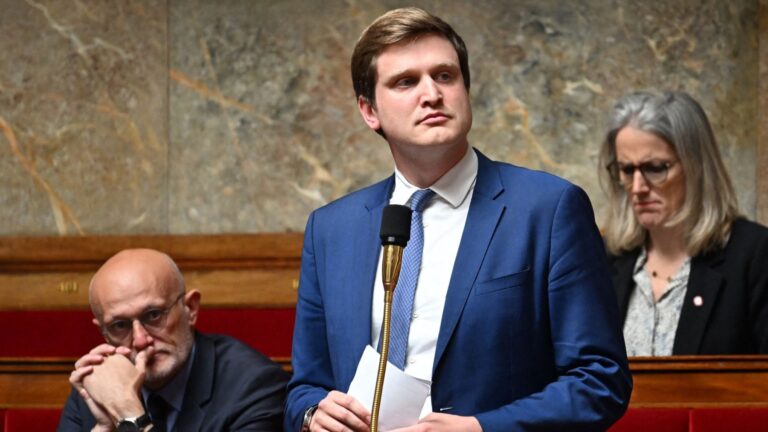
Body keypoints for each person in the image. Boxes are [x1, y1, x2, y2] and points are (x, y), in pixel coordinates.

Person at [286, 7, 631, 432]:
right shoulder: (330, 230)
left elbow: (599, 380)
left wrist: (481, 429)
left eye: (445, 76)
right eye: (405, 82)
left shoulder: (549, 208)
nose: (431, 93)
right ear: (369, 111)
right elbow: (305, 386)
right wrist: (311, 415)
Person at [598, 90, 768, 356]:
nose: (638, 187)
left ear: (697, 166)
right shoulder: (605, 256)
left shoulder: (754, 255)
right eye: (627, 170)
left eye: (655, 168)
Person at [57, 248, 289, 431]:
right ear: (104, 333)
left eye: (154, 315)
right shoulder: (100, 387)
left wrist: (130, 416)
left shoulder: (254, 386)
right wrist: (104, 428)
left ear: (191, 308)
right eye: (120, 325)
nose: (140, 340)